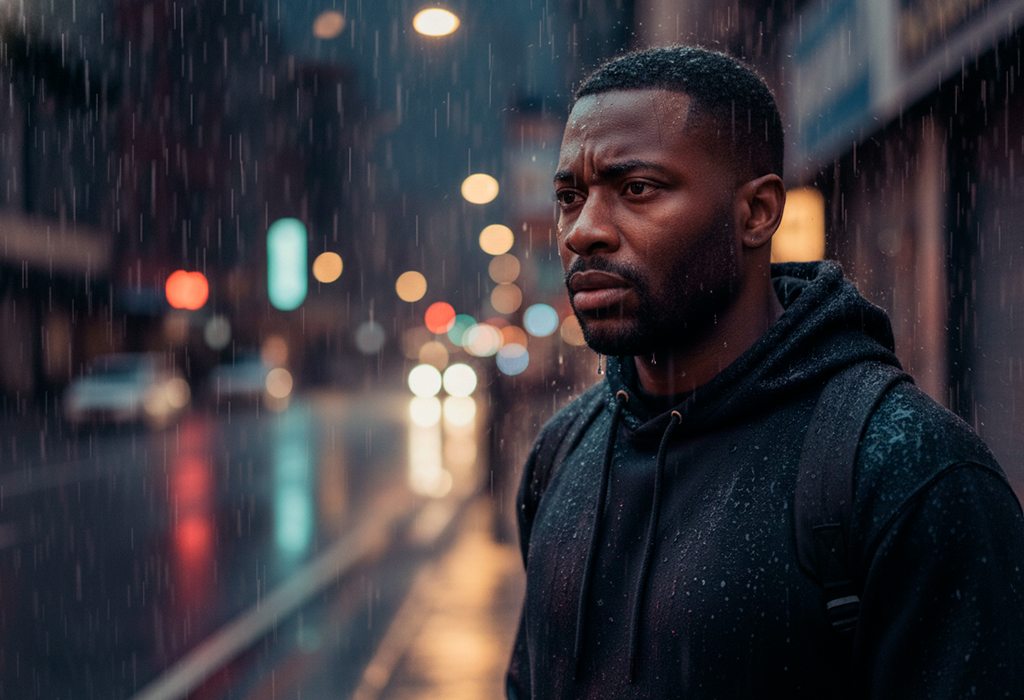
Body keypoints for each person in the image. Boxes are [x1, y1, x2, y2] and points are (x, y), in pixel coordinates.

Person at [506, 46, 1024, 699]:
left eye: (637, 189)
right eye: (569, 196)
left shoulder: (907, 470)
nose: (583, 231)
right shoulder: (562, 454)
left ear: (757, 214)